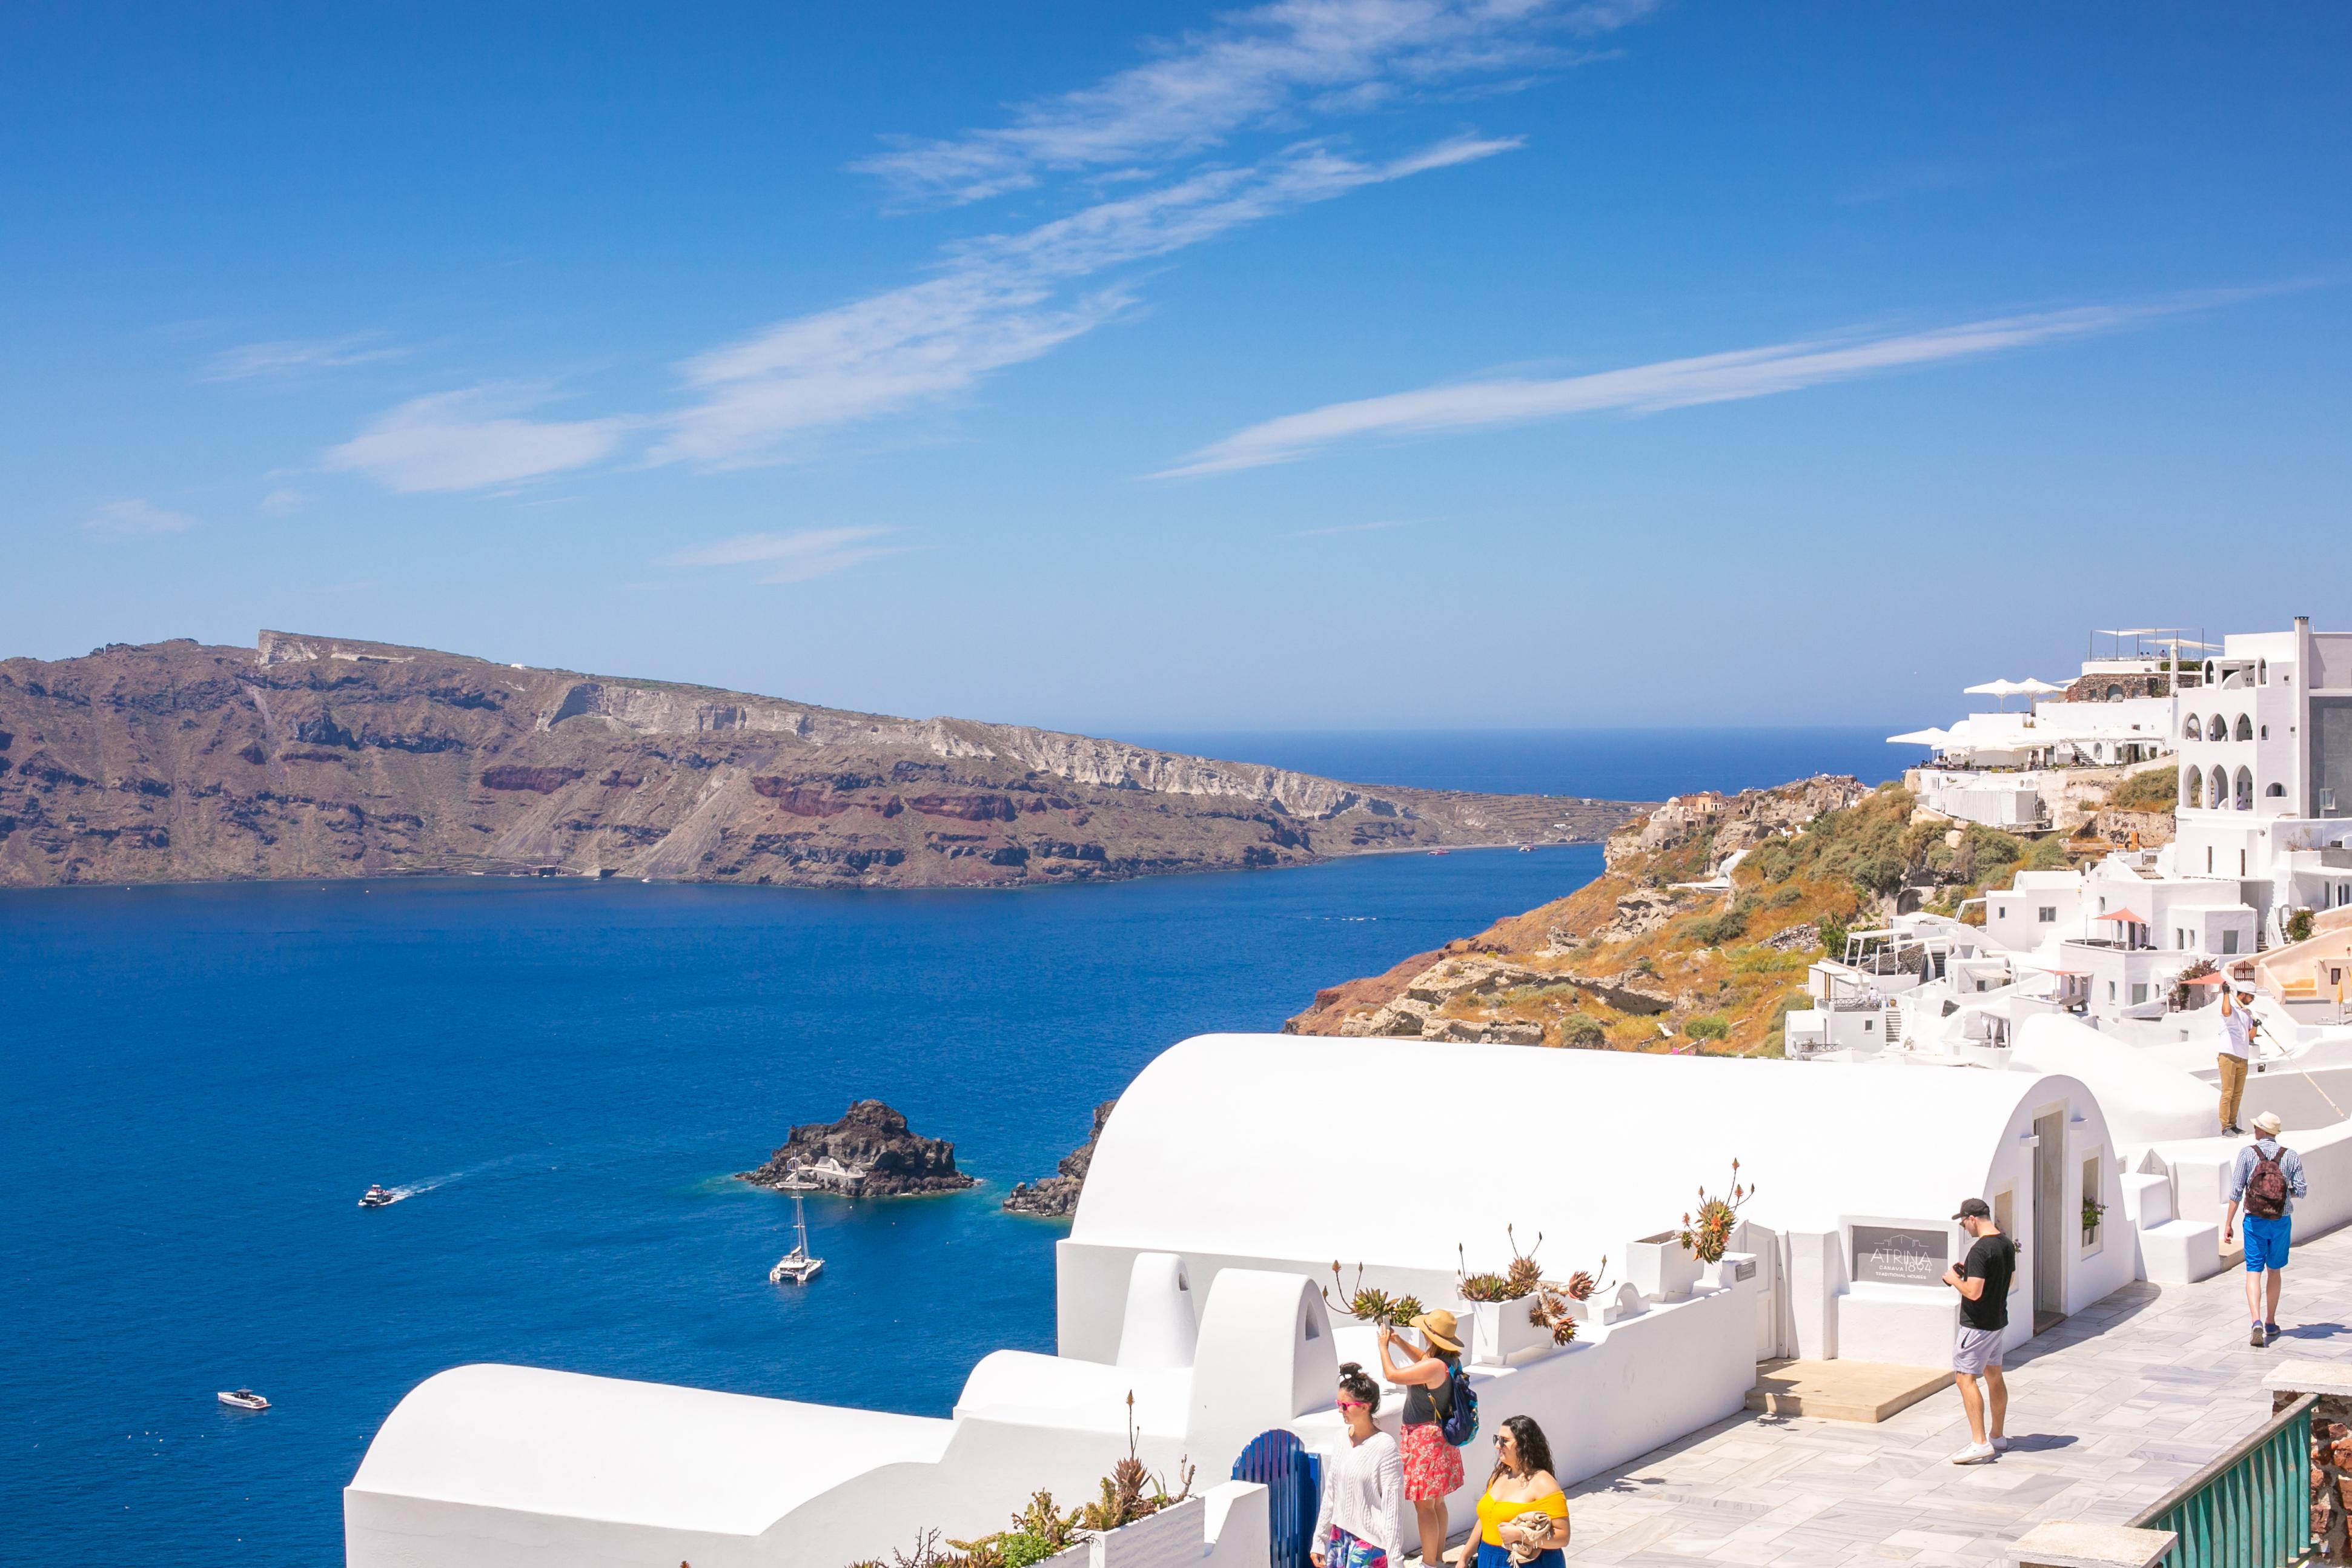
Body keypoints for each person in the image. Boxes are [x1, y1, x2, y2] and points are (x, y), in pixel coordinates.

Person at [1376, 1309, 1465, 1567]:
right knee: (1437, 1502)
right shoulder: (1449, 1361)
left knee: (1424, 1506)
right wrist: (1399, 1342)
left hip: (1423, 1441)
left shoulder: (1434, 1366)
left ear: (1430, 1336)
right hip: (1440, 1437)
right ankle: (1436, 1557)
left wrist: (1384, 1346)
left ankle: (1428, 1563)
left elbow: (1391, 1375)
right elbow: (1424, 1361)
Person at [1940, 1196, 2015, 1464]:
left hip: (1978, 1326)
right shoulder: (2006, 1244)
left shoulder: (1981, 1250)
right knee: (1994, 1375)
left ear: (1972, 1219)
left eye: (1963, 1222)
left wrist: (1953, 1280)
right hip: (1997, 1322)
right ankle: (1997, 1436)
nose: (1963, 1227)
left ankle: (1979, 1442)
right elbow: (2009, 1280)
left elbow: (1973, 1291)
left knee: (1964, 1379)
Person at [2224, 1110, 2308, 1348]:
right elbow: (2302, 1190)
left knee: (2253, 1271)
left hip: (2254, 1221)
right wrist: (2282, 1196)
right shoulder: (2290, 1156)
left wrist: (2228, 1224)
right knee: (2275, 1271)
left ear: (2262, 1131)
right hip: (2281, 1222)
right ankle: (2271, 1322)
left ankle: (2256, 1321)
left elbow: (2236, 1192)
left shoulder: (2248, 1154)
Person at [1312, 1363, 1404, 1568]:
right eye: (1338, 1403)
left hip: (1370, 1546)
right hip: (1339, 1539)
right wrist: (1320, 1539)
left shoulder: (1385, 1447)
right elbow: (1331, 1493)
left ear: (1365, 1406)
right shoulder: (1341, 1439)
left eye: (1344, 1406)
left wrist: (1396, 1561)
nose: (1339, 1410)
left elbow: (1393, 1509)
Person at [1445, 1415, 1568, 1568]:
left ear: (1524, 1445)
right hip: (1488, 1558)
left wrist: (1522, 1536)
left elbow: (1563, 1537)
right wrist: (1464, 1558)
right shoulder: (1499, 1477)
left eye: (1505, 1441)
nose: (1498, 1445)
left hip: (1525, 1562)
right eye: (1497, 1439)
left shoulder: (1544, 1483)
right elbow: (1485, 1521)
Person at [2218, 985, 2259, 1136]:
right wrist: (2226, 994)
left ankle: (2233, 1124)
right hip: (2229, 1054)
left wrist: (2255, 1025)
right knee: (2227, 1092)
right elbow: (2226, 1012)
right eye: (2251, 996)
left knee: (2237, 1093)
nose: (2253, 999)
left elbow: (2251, 1036)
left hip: (2243, 1057)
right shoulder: (2231, 1008)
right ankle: (2225, 1126)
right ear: (2243, 994)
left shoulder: (2247, 1013)